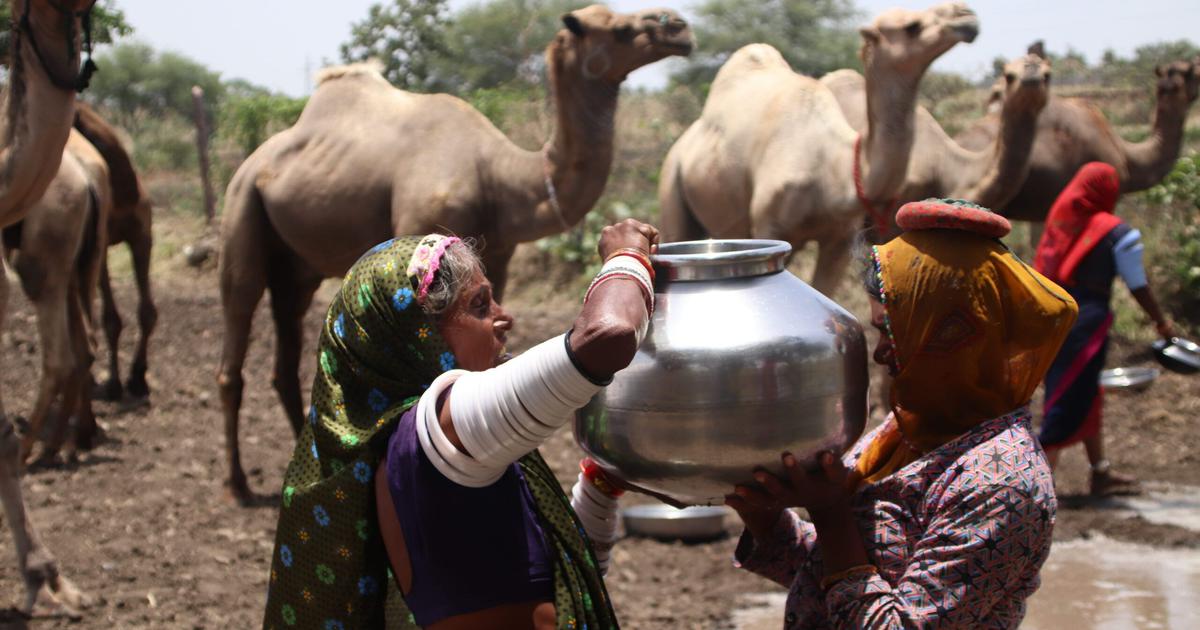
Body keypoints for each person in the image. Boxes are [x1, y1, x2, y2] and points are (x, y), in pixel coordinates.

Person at [262, 219, 659, 629]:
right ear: (419, 336)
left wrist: (600, 486)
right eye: (480, 306)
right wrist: (626, 257)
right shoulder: (437, 431)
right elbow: (607, 335)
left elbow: (557, 573)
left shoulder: (432, 451)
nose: (506, 317)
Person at [726, 199, 1078, 628]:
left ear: (953, 336)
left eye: (892, 332)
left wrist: (832, 513)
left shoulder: (1002, 482)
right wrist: (765, 517)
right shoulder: (907, 430)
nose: (878, 353)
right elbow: (827, 572)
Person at [1033, 161, 1175, 496]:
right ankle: (1037, 489)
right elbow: (1137, 285)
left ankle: (1100, 472)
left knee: (1084, 393)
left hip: (1053, 319)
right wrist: (1161, 321)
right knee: (1066, 400)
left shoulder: (1062, 223)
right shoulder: (1116, 233)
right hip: (1086, 327)